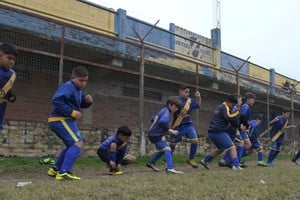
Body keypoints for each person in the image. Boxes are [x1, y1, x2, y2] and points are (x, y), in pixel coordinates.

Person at [47, 66, 93, 180]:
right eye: (80, 80)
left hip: (64, 120)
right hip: (60, 119)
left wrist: (88, 102)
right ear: (72, 78)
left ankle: (55, 169)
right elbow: (56, 100)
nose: (83, 83)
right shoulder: (68, 86)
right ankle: (64, 172)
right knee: (78, 143)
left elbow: (80, 103)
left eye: (85, 81)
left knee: (71, 145)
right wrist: (72, 112)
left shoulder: (78, 91)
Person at [200, 94, 242, 170]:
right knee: (232, 147)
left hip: (212, 132)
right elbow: (229, 117)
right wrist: (237, 113)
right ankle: (235, 165)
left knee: (221, 149)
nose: (233, 107)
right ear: (228, 102)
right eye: (232, 105)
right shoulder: (225, 107)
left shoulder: (220, 106)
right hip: (218, 132)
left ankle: (205, 160)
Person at [146, 96, 184, 174]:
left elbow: (153, 118)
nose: (176, 109)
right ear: (170, 104)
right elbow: (162, 122)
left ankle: (151, 162)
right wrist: (171, 131)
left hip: (154, 133)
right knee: (167, 149)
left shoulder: (163, 110)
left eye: (178, 107)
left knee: (164, 150)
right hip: (156, 134)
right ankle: (170, 168)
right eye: (175, 106)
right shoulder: (166, 112)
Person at [169, 85, 201, 168]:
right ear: (180, 91)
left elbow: (198, 106)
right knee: (172, 144)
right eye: (185, 92)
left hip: (188, 125)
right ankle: (168, 160)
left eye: (188, 92)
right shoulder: (175, 100)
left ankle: (191, 159)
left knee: (195, 141)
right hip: (177, 125)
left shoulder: (190, 101)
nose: (187, 94)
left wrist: (198, 97)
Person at [0, 43, 18, 130]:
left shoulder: (12, 74)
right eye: (9, 58)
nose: (11, 61)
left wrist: (10, 96)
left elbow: (5, 88)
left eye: (14, 59)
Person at [236, 92, 256, 165]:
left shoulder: (246, 106)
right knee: (245, 144)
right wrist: (244, 124)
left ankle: (237, 159)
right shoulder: (246, 106)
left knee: (248, 145)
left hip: (242, 128)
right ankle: (233, 159)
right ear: (248, 99)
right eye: (252, 100)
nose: (253, 102)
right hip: (241, 128)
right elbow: (243, 115)